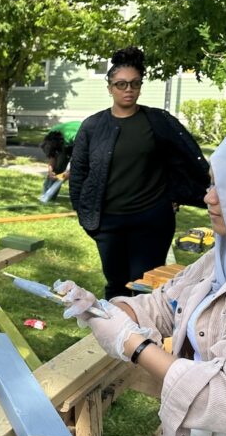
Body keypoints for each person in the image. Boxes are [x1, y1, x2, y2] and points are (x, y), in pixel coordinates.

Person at [61, 127, 226, 436]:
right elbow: (162, 304)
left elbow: (223, 396)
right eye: (211, 184)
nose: (209, 198)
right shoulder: (222, 254)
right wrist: (102, 308)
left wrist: (133, 344)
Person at [69, 47, 209, 299]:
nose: (128, 89)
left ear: (141, 86)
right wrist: (86, 216)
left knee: (145, 286)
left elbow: (183, 159)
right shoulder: (92, 126)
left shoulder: (158, 121)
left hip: (152, 220)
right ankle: (115, 336)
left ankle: (145, 336)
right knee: (116, 283)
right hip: (108, 223)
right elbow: (79, 173)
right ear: (110, 87)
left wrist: (178, 193)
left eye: (134, 83)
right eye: (121, 84)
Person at [40, 120, 81, 201]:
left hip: (82, 141)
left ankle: (82, 197)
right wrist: (50, 171)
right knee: (57, 169)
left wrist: (68, 173)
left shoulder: (78, 137)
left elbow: (80, 160)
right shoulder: (51, 136)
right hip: (65, 139)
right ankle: (47, 196)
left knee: (79, 171)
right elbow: (52, 156)